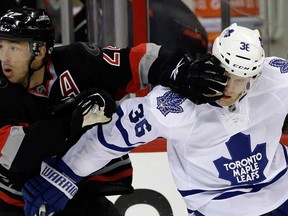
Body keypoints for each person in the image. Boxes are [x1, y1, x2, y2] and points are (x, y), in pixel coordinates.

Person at [22, 23, 288, 216]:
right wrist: (66, 174)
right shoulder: (175, 105)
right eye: (225, 75)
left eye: (240, 80)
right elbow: (114, 135)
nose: (229, 88)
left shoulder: (277, 79)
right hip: (217, 206)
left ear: (256, 75)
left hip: (282, 187)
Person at [0, 6, 227, 216]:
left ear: (39, 51)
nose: (4, 57)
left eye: (13, 47)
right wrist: (74, 116)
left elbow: (139, 60)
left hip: (75, 191)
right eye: (1, 46)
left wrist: (181, 70)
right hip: (14, 204)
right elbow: (20, 156)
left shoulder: (77, 60)